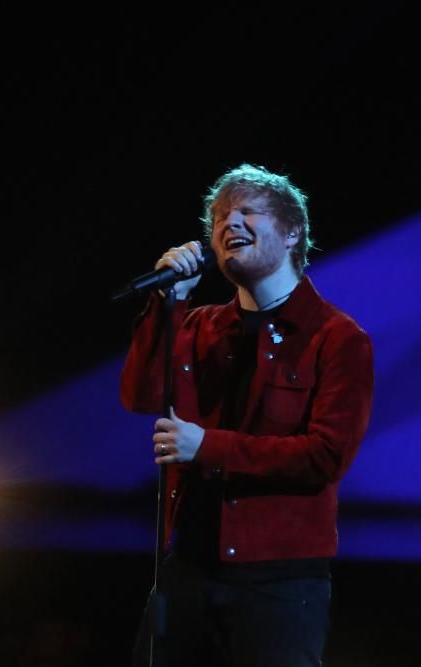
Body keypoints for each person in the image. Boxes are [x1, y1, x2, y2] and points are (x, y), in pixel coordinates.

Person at [121, 164, 374, 666]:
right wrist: (167, 304)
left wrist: (206, 446)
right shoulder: (196, 326)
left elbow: (324, 456)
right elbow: (139, 394)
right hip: (189, 566)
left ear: (292, 231)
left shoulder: (337, 338)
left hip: (280, 581)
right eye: (218, 217)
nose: (228, 223)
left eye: (247, 212)